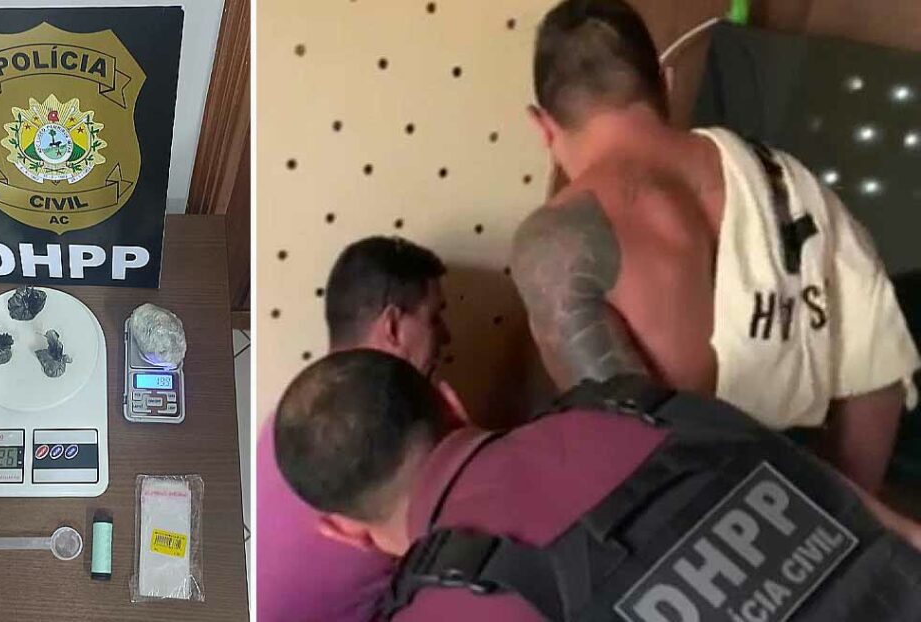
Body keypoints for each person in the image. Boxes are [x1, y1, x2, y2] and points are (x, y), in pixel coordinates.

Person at [511, 0, 921, 492]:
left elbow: (628, 455)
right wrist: (845, 511)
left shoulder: (557, 242)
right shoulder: (791, 181)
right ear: (666, 83)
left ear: (542, 126)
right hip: (817, 496)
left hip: (700, 519)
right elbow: (879, 368)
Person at [275, 349, 921, 621]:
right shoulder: (655, 411)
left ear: (345, 532)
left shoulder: (448, 609)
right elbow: (893, 531)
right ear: (451, 402)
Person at [257, 236, 453, 621]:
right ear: (393, 327)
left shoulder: (289, 413)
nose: (446, 335)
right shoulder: (404, 443)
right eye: (434, 317)